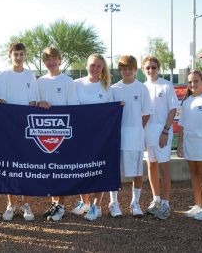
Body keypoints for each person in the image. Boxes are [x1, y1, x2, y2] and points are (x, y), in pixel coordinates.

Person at [0, 42, 37, 221]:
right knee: (10, 167)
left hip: (26, 130)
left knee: (26, 167)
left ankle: (25, 204)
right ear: (10, 55)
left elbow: (33, 103)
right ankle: (11, 204)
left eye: (21, 54)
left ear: (25, 55)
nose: (18, 58)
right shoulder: (3, 76)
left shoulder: (31, 76)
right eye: (15, 54)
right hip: (8, 131)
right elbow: (0, 102)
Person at [37, 46, 79, 221]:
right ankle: (55, 203)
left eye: (54, 58)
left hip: (63, 131)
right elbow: (35, 103)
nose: (51, 62)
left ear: (60, 60)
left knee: (62, 170)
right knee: (50, 170)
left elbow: (73, 106)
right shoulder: (39, 82)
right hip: (44, 132)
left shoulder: (68, 81)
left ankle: (61, 205)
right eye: (47, 59)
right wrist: (40, 104)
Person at [71, 53, 114, 221]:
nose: (95, 68)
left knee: (98, 170)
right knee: (81, 169)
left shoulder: (107, 87)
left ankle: (97, 205)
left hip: (101, 138)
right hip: (80, 135)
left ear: (103, 68)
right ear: (86, 65)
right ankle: (85, 202)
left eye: (98, 66)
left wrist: (118, 108)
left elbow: (111, 111)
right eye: (92, 65)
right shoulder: (76, 84)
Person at [111, 55, 152, 218]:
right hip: (117, 137)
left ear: (135, 70)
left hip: (136, 137)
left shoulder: (142, 88)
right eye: (123, 68)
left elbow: (147, 113)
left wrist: (136, 129)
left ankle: (135, 203)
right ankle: (114, 203)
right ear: (120, 70)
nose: (127, 71)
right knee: (114, 171)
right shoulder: (114, 89)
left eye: (130, 68)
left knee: (137, 172)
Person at [177, 70, 202, 221]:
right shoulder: (186, 102)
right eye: (190, 82)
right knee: (194, 174)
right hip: (189, 143)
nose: (193, 84)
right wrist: (179, 145)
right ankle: (198, 204)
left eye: (196, 81)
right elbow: (181, 126)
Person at [142, 56, 178, 220]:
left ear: (159, 68)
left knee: (164, 168)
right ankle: (156, 200)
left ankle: (165, 204)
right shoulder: (141, 87)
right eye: (148, 67)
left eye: (154, 67)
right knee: (151, 166)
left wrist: (165, 130)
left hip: (162, 131)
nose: (151, 70)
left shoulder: (167, 85)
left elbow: (172, 110)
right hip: (146, 132)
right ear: (143, 69)